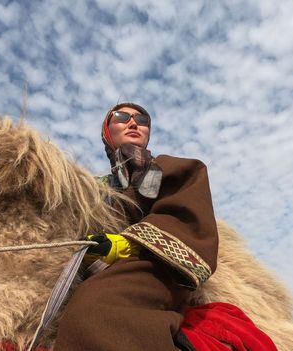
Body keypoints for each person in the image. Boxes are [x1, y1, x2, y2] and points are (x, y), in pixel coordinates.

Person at [55, 102, 219, 350]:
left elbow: (187, 217)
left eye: (142, 119)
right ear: (107, 132)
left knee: (98, 313)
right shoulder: (89, 187)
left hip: (155, 267)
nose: (133, 122)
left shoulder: (175, 168)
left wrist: (126, 245)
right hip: (85, 269)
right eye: (122, 117)